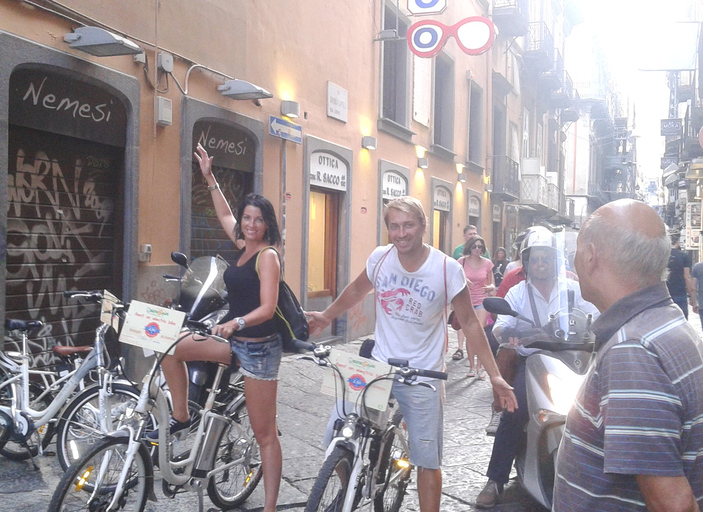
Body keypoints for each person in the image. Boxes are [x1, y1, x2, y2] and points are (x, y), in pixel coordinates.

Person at [306, 196, 518, 512]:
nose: (401, 233)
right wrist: (326, 315)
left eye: (408, 225)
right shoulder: (380, 258)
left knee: (426, 460)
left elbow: (472, 325)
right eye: (394, 226)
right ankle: (351, 484)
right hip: (376, 362)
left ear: (422, 226)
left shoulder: (446, 268)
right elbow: (356, 290)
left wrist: (495, 375)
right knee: (334, 434)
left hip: (422, 374)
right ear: (387, 228)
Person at [553, 199, 703, 512]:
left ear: (590, 256)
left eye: (577, 249)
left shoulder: (632, 350)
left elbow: (675, 505)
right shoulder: (666, 321)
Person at [152, 144, 285, 512]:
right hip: (234, 340)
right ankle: (182, 414)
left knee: (265, 435)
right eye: (247, 218)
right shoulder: (243, 246)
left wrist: (235, 322)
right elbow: (224, 212)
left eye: (258, 220)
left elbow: (268, 307)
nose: (250, 224)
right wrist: (209, 176)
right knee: (170, 344)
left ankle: (270, 506)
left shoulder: (268, 255)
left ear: (267, 223)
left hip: (258, 349)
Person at [475, 226, 598, 508]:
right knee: (514, 412)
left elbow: (596, 313)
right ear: (527, 262)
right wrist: (508, 335)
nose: (541, 264)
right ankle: (495, 479)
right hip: (533, 362)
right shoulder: (518, 292)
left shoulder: (574, 289)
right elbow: (501, 326)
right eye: (535, 259)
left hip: (576, 358)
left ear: (555, 260)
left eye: (546, 258)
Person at [458, 236, 495, 378]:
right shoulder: (461, 262)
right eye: (474, 246)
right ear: (469, 247)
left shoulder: (487, 264)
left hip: (481, 301)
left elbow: (492, 285)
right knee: (469, 333)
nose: (477, 249)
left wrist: (489, 288)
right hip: (466, 301)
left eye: (480, 247)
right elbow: (454, 279)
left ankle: (480, 367)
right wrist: (463, 279)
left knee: (480, 332)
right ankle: (472, 367)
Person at [666, 229, 694, 319]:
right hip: (680, 293)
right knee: (681, 320)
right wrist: (692, 296)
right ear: (677, 242)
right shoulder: (684, 256)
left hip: (664, 294)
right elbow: (687, 277)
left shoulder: (662, 255)